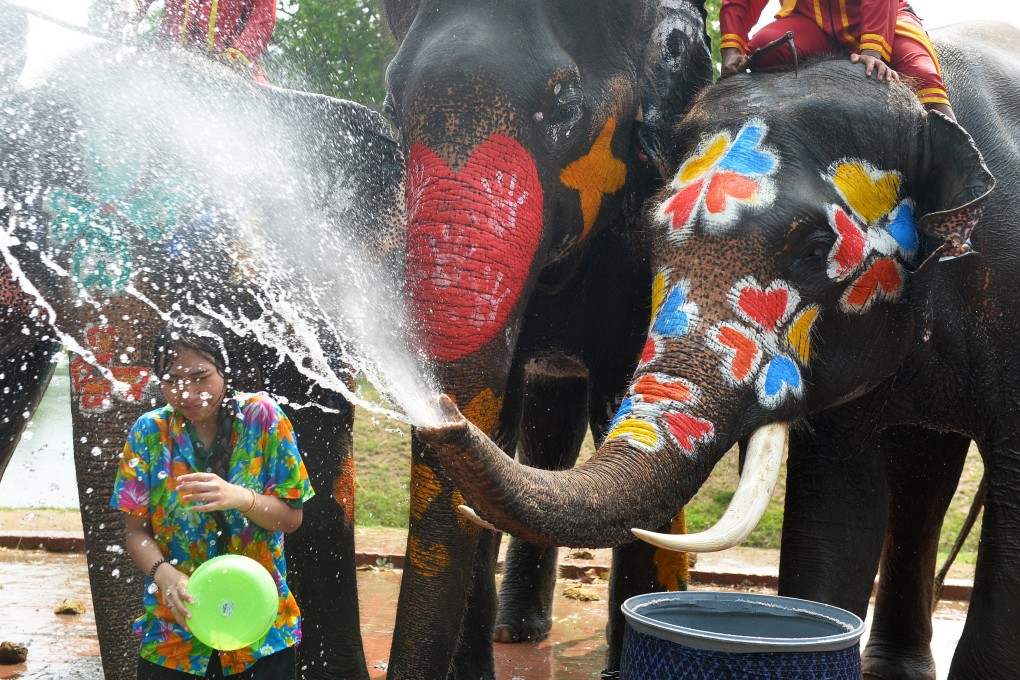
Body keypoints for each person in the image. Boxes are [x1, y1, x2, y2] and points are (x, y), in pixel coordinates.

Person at [111, 314, 313, 679]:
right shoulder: (149, 432)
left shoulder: (263, 418)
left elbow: (292, 520)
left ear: (226, 369)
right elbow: (136, 533)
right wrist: (164, 574)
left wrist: (241, 498)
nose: (185, 393)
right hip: (173, 634)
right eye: (171, 381)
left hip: (259, 631)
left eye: (200, 377)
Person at [719, 0, 957, 121]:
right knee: (764, 50)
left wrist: (873, 52)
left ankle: (962, 161)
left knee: (921, 74)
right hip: (811, 21)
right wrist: (732, 48)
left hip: (881, 21)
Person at [110, 0, 276, 84]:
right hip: (168, 63)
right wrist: (131, 6)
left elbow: (263, 20)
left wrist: (232, 60)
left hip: (232, 75)